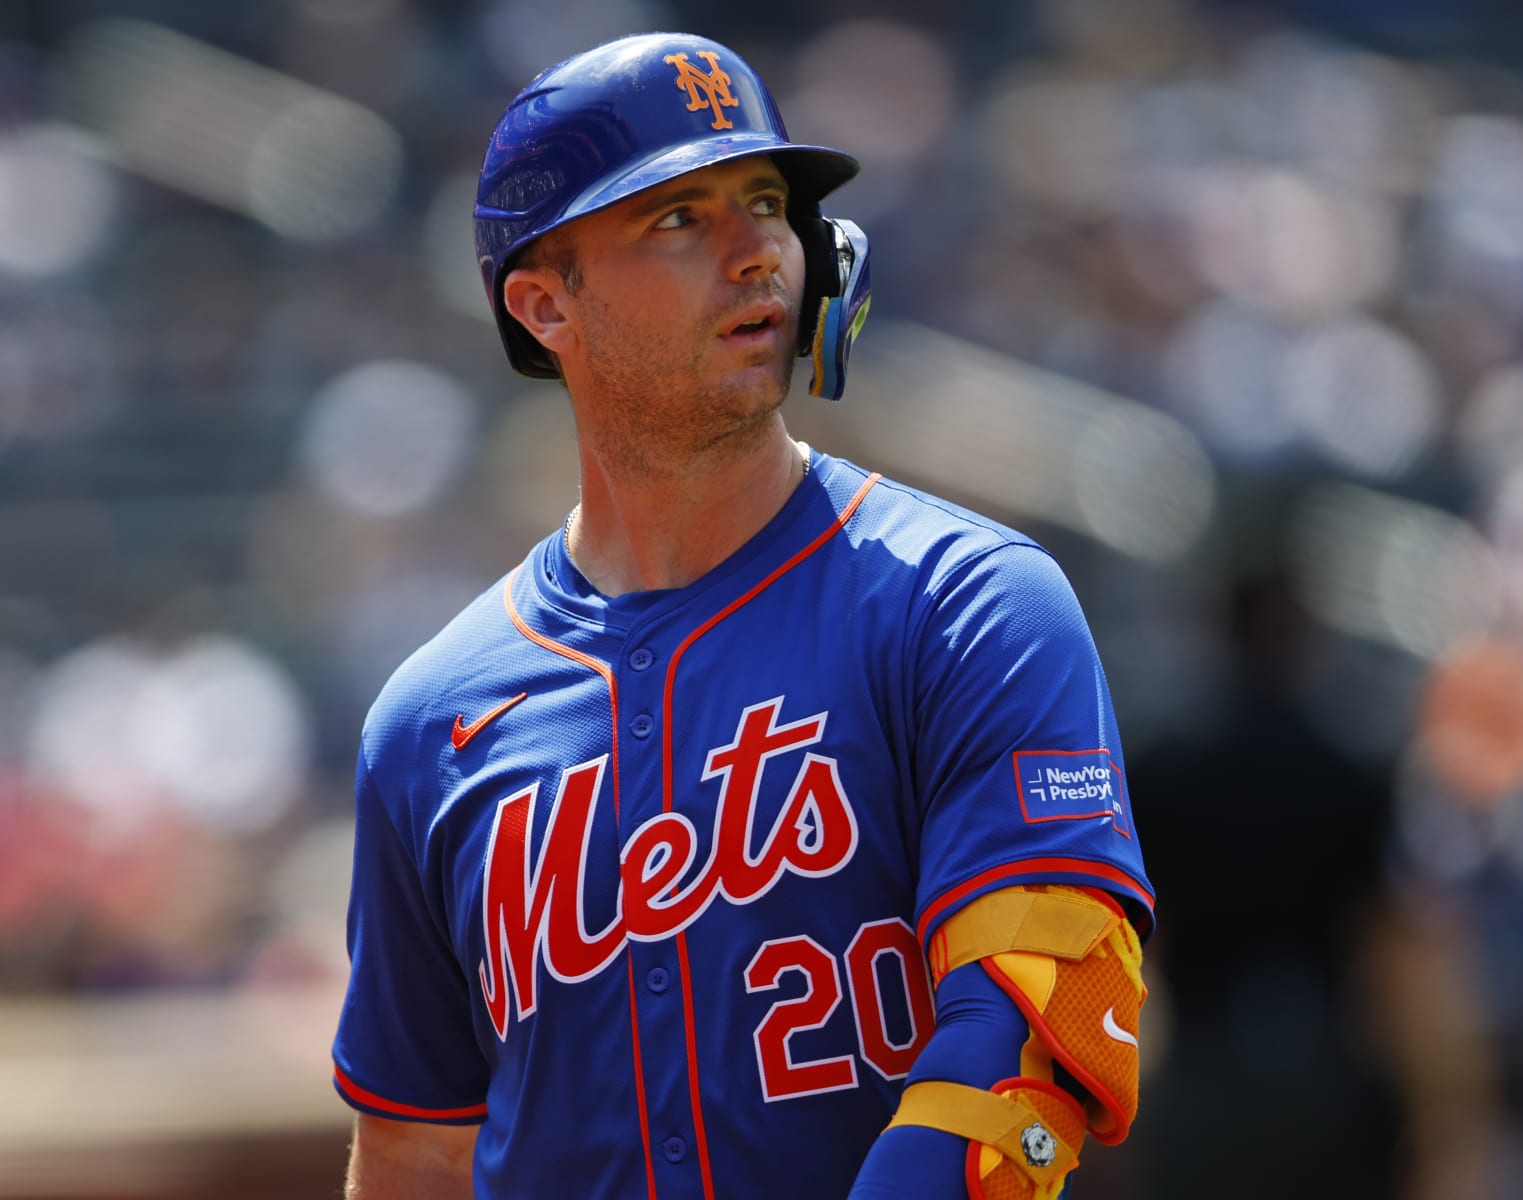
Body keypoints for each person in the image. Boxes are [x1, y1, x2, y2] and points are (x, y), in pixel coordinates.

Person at [330, 32, 1153, 1200]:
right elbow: (416, 1150)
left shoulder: (965, 603)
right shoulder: (427, 723)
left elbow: (1038, 1018)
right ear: (544, 303)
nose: (755, 251)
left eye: (765, 201)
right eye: (676, 218)